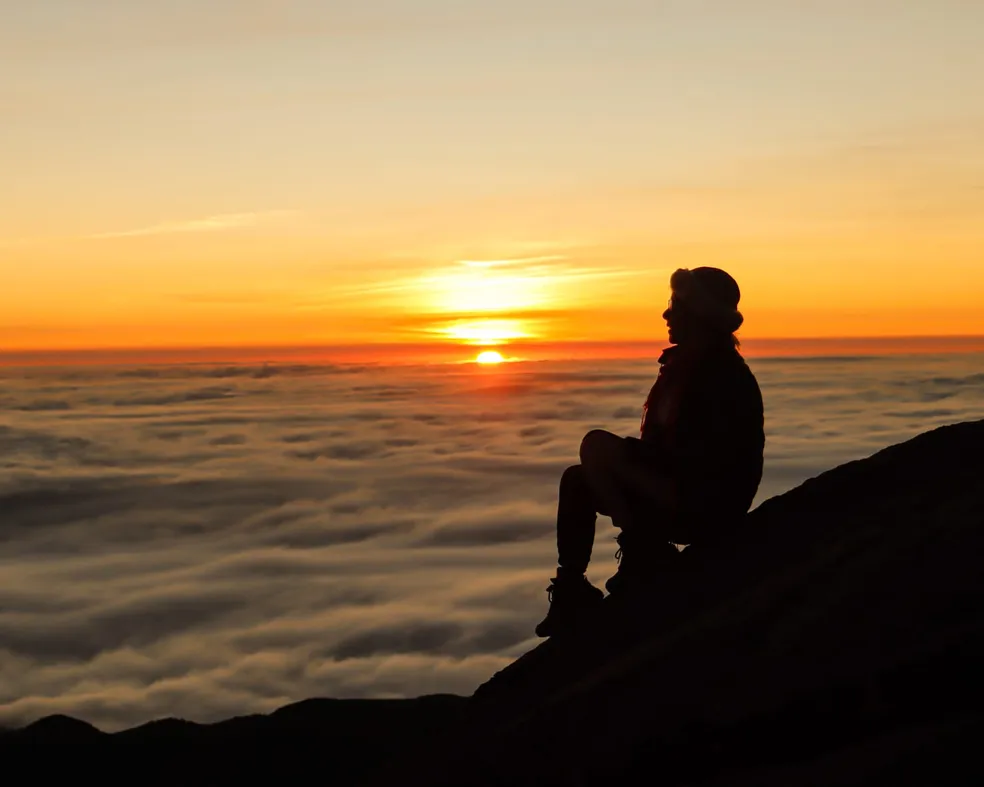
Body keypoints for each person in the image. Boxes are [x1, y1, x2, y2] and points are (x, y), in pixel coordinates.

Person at [535, 267, 765, 637]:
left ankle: (645, 552)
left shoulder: (720, 375)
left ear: (701, 315)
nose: (666, 315)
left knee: (595, 445)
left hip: (703, 503)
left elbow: (708, 461)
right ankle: (572, 586)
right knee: (578, 480)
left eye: (676, 306)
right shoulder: (686, 366)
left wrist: (629, 465)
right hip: (683, 491)